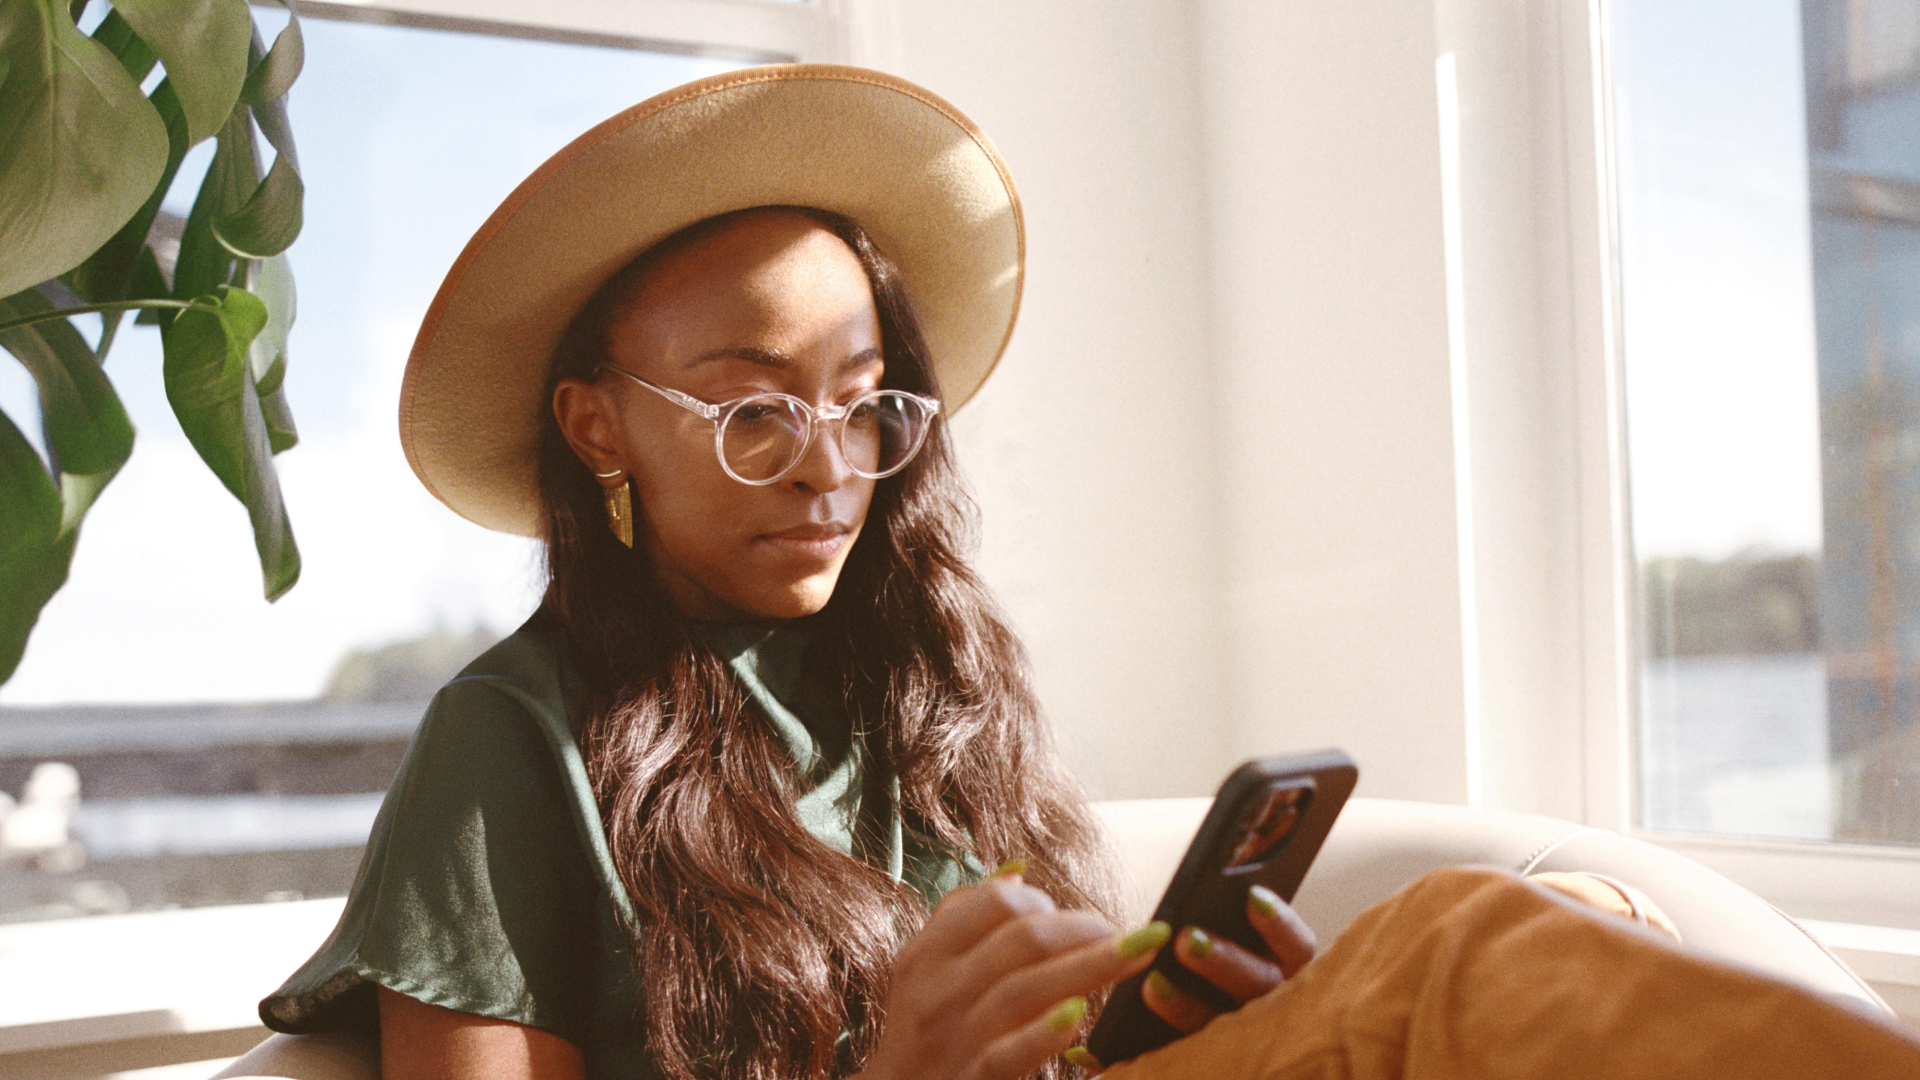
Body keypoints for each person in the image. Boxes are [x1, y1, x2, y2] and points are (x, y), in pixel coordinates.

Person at [261, 65, 1920, 1080]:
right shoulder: (515, 745)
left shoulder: (915, 679)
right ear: (597, 428)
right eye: (756, 413)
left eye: (863, 405)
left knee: (1572, 923)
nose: (831, 468)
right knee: (1470, 954)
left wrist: (1199, 1013)